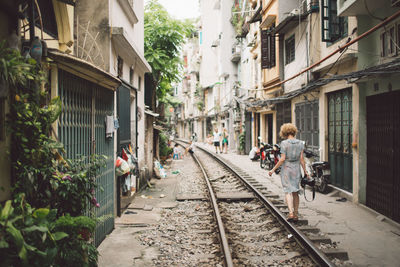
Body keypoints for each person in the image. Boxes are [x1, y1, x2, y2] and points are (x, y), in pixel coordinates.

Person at [268, 123, 309, 222]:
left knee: (288, 191)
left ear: (284, 132)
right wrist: (305, 171)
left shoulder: (284, 143)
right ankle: (295, 214)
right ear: (294, 131)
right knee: (295, 191)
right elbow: (302, 159)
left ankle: (290, 212)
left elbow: (282, 159)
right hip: (296, 169)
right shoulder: (300, 143)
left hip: (287, 169)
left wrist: (273, 170)